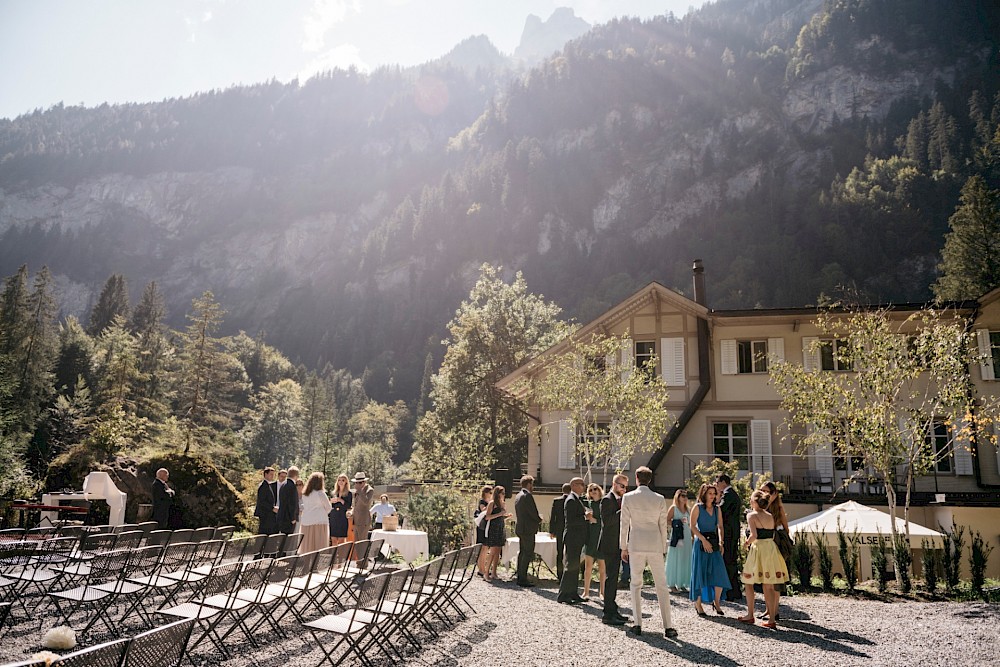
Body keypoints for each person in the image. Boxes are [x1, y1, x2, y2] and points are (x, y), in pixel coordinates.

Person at [620, 466, 677, 639]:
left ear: (637, 478)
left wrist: (623, 546)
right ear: (650, 479)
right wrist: (663, 547)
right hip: (654, 544)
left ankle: (637, 624)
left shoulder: (628, 497)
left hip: (636, 543)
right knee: (661, 585)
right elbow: (662, 525)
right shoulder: (659, 498)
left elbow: (624, 524)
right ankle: (668, 626)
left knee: (635, 584)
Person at [737, 490, 789, 629]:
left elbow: (753, 535)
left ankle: (750, 614)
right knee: (769, 584)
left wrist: (746, 543)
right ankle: (772, 618)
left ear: (754, 502)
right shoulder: (770, 515)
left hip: (758, 549)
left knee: (748, 582)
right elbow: (771, 534)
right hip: (771, 549)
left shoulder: (751, 515)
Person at [689, 483, 731, 615]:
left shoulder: (717, 509)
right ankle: (698, 604)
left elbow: (720, 527)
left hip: (714, 542)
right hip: (701, 543)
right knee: (700, 573)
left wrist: (721, 542)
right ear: (704, 494)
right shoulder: (697, 507)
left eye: (714, 493)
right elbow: (693, 526)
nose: (713, 496)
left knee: (719, 572)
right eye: (710, 493)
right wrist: (703, 540)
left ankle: (717, 602)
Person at [599, 474, 629, 626]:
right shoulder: (606, 499)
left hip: (617, 544)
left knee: (613, 579)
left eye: (626, 487)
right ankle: (607, 613)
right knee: (611, 579)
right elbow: (607, 521)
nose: (624, 489)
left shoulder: (619, 500)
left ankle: (612, 608)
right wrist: (623, 510)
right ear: (614, 484)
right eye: (622, 486)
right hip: (609, 545)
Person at [756, 481, 789, 620]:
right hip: (764, 545)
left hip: (776, 545)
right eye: (762, 490)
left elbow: (786, 527)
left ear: (774, 493)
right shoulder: (759, 506)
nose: (764, 494)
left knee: (775, 579)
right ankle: (768, 609)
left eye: (767, 491)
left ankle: (774, 611)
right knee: (766, 580)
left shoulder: (777, 508)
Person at [557, 477, 588, 604]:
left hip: (577, 536)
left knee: (575, 565)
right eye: (581, 484)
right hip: (572, 536)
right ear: (574, 485)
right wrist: (585, 517)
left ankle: (573, 592)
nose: (584, 487)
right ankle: (563, 594)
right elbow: (571, 520)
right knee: (570, 565)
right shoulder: (571, 500)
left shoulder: (577, 499)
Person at [716, 474, 743, 601]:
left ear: (723, 482)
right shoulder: (731, 494)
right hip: (732, 533)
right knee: (730, 560)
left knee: (729, 560)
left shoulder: (728, 495)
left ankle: (731, 591)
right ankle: (734, 590)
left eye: (717, 482)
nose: (717, 485)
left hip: (729, 534)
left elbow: (721, 510)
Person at [513, 475, 542, 587]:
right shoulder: (527, 496)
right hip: (528, 529)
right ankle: (523, 578)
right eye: (532, 484)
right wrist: (539, 519)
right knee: (528, 553)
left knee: (522, 552)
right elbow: (532, 512)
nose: (533, 487)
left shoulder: (518, 495)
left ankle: (520, 576)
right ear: (529, 484)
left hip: (521, 527)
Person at [581, 483, 605, 601]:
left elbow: (607, 520)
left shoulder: (604, 503)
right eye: (590, 490)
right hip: (590, 539)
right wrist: (586, 516)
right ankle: (586, 592)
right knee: (588, 567)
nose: (593, 491)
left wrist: (595, 520)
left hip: (601, 539)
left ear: (599, 490)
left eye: (595, 489)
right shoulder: (588, 504)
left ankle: (602, 592)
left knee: (602, 568)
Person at [298, 472, 332, 554]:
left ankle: (307, 565)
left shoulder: (305, 494)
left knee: (307, 548)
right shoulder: (320, 493)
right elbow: (329, 507)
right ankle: (315, 565)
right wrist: (322, 512)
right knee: (318, 547)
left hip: (306, 522)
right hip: (319, 522)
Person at [482, 485, 511, 581]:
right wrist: (500, 514)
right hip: (493, 528)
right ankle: (486, 573)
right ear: (497, 494)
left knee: (498, 551)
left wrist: (506, 516)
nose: (503, 495)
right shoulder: (492, 503)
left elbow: (500, 517)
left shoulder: (503, 503)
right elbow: (487, 517)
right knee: (493, 551)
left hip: (500, 528)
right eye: (502, 493)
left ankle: (494, 572)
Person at [665, 489, 692, 593]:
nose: (685, 498)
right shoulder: (673, 508)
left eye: (686, 496)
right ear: (678, 497)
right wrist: (676, 523)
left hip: (687, 535)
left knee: (685, 558)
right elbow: (667, 520)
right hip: (677, 535)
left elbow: (691, 524)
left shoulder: (688, 509)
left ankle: (683, 583)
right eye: (682, 496)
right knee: (675, 557)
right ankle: (672, 584)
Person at [549, 483, 571, 582]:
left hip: (559, 529)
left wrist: (552, 531)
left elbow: (553, 517)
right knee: (570, 553)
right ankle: (569, 574)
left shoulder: (557, 501)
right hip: (570, 529)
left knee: (560, 553)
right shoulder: (573, 500)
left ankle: (560, 575)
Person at [328, 473, 353, 546]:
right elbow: (329, 505)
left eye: (343, 480)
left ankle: (342, 557)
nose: (340, 482)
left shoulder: (349, 493)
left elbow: (348, 506)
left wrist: (341, 500)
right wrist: (331, 501)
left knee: (342, 540)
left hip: (342, 517)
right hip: (334, 517)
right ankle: (334, 557)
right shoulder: (334, 493)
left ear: (346, 482)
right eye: (339, 480)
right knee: (333, 539)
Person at [349, 472, 374, 540]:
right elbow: (355, 504)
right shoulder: (357, 491)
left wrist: (360, 491)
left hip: (363, 521)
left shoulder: (369, 490)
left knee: (362, 543)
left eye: (360, 483)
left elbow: (366, 502)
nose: (357, 484)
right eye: (356, 483)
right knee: (356, 544)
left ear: (364, 482)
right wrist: (351, 512)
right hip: (356, 520)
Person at [254, 467, 279, 535]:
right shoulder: (263, 486)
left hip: (268, 514)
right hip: (265, 514)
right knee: (264, 534)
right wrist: (272, 508)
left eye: (273, 474)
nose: (272, 476)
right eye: (271, 474)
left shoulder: (268, 485)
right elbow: (262, 501)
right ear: (266, 474)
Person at [475, 486, 493, 577]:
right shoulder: (482, 502)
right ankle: (481, 569)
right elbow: (483, 510)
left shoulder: (488, 502)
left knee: (485, 548)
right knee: (482, 548)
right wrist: (490, 505)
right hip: (481, 527)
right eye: (490, 493)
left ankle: (484, 568)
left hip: (486, 527)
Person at [277, 466, 300, 535]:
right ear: (296, 475)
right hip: (288, 518)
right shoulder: (292, 486)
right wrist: (293, 517)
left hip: (282, 516)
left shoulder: (283, 484)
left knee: (283, 539)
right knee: (288, 540)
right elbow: (292, 503)